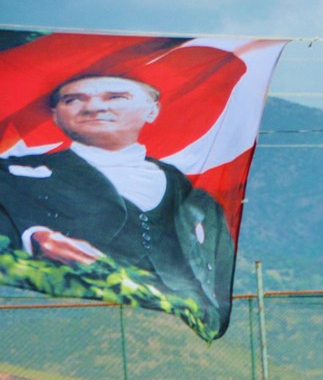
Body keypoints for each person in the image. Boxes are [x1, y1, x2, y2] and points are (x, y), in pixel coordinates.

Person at [0, 74, 233, 335]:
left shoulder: (189, 192)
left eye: (116, 97)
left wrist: (212, 312)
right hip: (71, 322)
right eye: (73, 99)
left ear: (152, 110)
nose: (94, 107)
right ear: (55, 115)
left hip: (175, 326)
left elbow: (217, 261)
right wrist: (31, 236)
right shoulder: (14, 174)